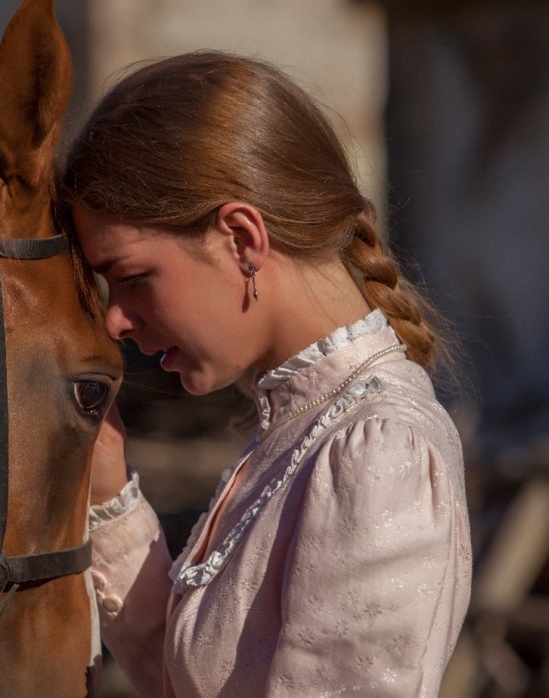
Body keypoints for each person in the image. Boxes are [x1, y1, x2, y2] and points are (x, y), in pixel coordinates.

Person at [58, 51, 472, 697]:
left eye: (133, 278)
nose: (116, 321)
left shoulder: (378, 450)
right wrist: (110, 500)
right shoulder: (304, 425)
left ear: (243, 238)